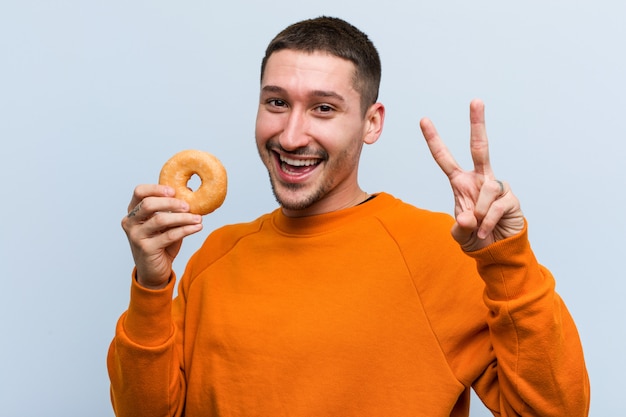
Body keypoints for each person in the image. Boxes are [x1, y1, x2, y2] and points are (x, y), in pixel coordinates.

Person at [108, 16, 589, 417]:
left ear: (371, 122)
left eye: (323, 108)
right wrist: (152, 287)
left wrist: (507, 259)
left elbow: (556, 412)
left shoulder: (443, 251)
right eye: (276, 102)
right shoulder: (214, 257)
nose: (292, 135)